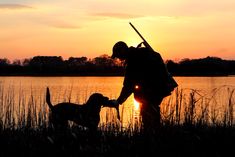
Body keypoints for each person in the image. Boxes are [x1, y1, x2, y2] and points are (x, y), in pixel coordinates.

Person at [111, 41, 177, 134]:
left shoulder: (133, 60)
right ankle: (155, 137)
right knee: (153, 115)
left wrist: (119, 101)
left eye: (118, 55)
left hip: (150, 93)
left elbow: (128, 85)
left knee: (148, 118)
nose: (118, 58)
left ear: (122, 51)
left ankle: (151, 140)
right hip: (158, 90)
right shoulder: (141, 53)